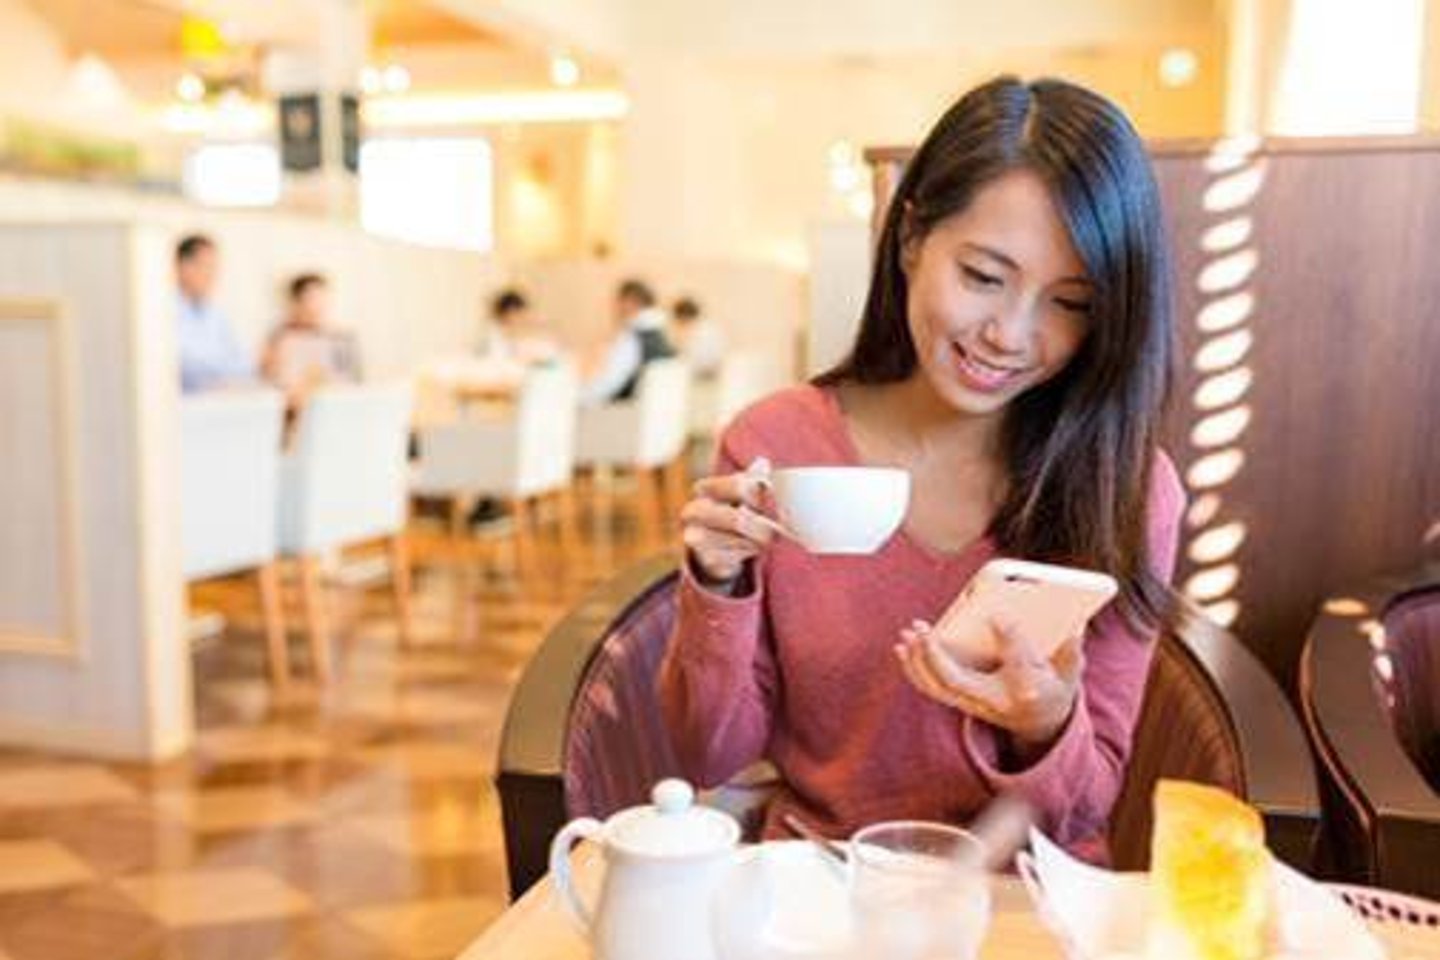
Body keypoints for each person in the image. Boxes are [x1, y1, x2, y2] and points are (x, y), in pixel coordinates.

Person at [659, 76, 1184, 863]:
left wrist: (1043, 723)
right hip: (822, 895)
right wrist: (718, 588)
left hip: (1021, 904)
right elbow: (708, 754)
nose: (1011, 333)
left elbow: (1087, 804)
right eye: (983, 276)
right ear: (909, 240)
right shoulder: (779, 446)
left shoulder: (1125, 486)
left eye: (1069, 302)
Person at [260, 273, 361, 407]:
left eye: (322, 299)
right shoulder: (279, 340)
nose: (318, 307)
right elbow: (275, 389)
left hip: (338, 407)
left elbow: (352, 382)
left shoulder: (341, 339)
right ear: (296, 303)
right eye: (312, 299)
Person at [176, 234, 254, 392]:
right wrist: (222, 371)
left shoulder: (216, 313)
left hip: (218, 399)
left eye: (215, 267)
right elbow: (186, 367)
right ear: (183, 266)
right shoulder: (162, 311)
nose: (212, 275)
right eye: (206, 266)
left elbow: (244, 363)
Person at [579, 278, 676, 406]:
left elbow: (607, 385)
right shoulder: (661, 336)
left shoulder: (632, 338)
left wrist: (576, 397)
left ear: (631, 301)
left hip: (618, 417)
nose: (614, 308)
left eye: (618, 301)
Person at [482, 288, 560, 366]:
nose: (516, 318)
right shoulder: (494, 335)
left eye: (519, 313)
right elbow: (499, 360)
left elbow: (552, 354)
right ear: (502, 315)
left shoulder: (535, 333)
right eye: (511, 314)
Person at [671, 296, 727, 377]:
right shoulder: (708, 327)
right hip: (709, 374)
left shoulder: (701, 331)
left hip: (705, 375)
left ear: (684, 316)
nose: (679, 323)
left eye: (678, 318)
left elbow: (700, 361)